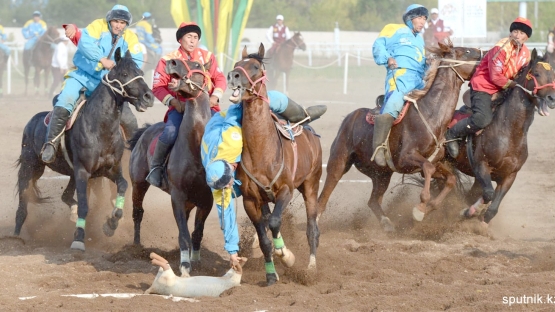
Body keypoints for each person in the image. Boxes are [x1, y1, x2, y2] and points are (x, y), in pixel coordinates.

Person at [200, 90, 326, 269]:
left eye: (229, 182)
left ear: (230, 168)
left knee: (265, 101)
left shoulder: (233, 139)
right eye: (227, 185)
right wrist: (232, 252)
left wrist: (243, 101)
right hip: (213, 134)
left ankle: (303, 114)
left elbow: (235, 116)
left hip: (227, 119)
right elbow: (225, 215)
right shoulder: (217, 180)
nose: (228, 186)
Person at [40, 4, 143, 164]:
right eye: (116, 21)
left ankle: (134, 155)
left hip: (107, 84)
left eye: (122, 23)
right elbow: (84, 43)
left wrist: (124, 64)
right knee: (66, 100)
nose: (118, 25)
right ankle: (51, 143)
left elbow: (137, 59)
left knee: (129, 119)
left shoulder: (130, 37)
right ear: (109, 20)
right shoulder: (97, 26)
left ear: (126, 24)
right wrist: (102, 59)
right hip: (81, 76)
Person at [145, 22, 227, 187]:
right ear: (180, 39)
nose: (192, 41)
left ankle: (229, 171)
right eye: (189, 37)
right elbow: (158, 87)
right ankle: (156, 168)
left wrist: (215, 96)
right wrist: (173, 102)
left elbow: (220, 79)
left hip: (206, 107)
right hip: (180, 108)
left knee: (225, 133)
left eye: (195, 37)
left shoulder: (207, 57)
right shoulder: (168, 60)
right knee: (169, 133)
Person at [444, 17, 532, 158]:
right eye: (515, 31)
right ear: (511, 33)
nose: (518, 35)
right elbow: (495, 76)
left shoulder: (526, 54)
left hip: (502, 88)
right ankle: (451, 134)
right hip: (483, 86)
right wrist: (513, 85)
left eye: (522, 33)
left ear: (527, 37)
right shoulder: (502, 47)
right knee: (482, 119)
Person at [371, 4, 428, 167]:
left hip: (419, 80)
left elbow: (423, 63)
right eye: (420, 17)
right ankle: (379, 147)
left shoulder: (420, 40)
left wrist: (429, 64)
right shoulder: (393, 28)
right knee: (394, 103)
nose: (423, 22)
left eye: (425, 19)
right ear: (410, 18)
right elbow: (378, 45)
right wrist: (387, 58)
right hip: (399, 76)